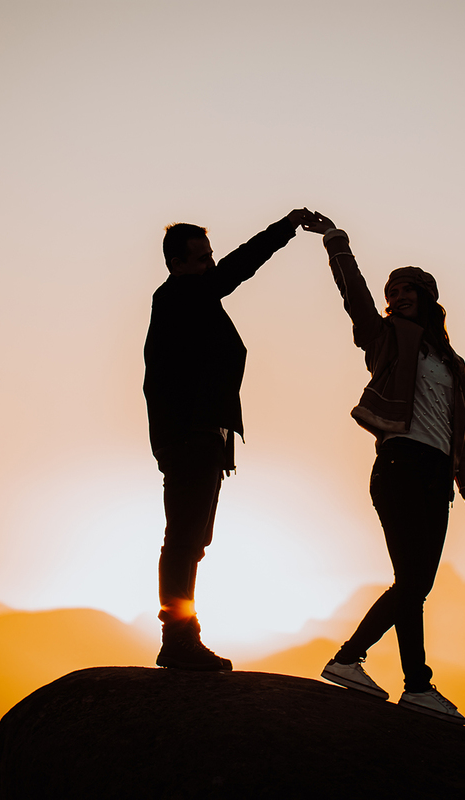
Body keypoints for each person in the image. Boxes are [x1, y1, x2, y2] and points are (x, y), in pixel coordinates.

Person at [304, 211, 465, 724]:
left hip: (436, 477)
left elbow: (460, 433)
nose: (399, 295)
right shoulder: (386, 338)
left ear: (428, 297)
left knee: (416, 585)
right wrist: (335, 241)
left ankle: (398, 680)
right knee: (412, 582)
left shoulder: (453, 364)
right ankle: (385, 672)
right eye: (394, 290)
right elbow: (355, 298)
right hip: (398, 465)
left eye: (409, 289)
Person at [143, 208, 312, 671]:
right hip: (190, 438)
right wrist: (285, 227)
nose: (211, 265)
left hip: (204, 438)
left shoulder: (195, 298)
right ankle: (178, 638)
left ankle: (182, 635)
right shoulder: (179, 295)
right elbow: (239, 267)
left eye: (210, 256)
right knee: (183, 540)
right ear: (176, 263)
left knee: (193, 541)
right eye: (202, 259)